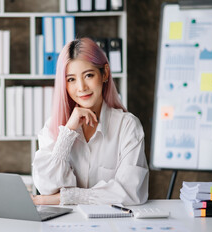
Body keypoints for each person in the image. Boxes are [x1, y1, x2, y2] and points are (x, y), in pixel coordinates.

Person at [32, 38, 149, 206]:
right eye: (71, 79)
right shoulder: (53, 127)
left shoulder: (127, 126)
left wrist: (65, 197)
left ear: (105, 73)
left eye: (88, 75)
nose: (81, 87)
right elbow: (47, 188)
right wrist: (68, 132)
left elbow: (130, 193)